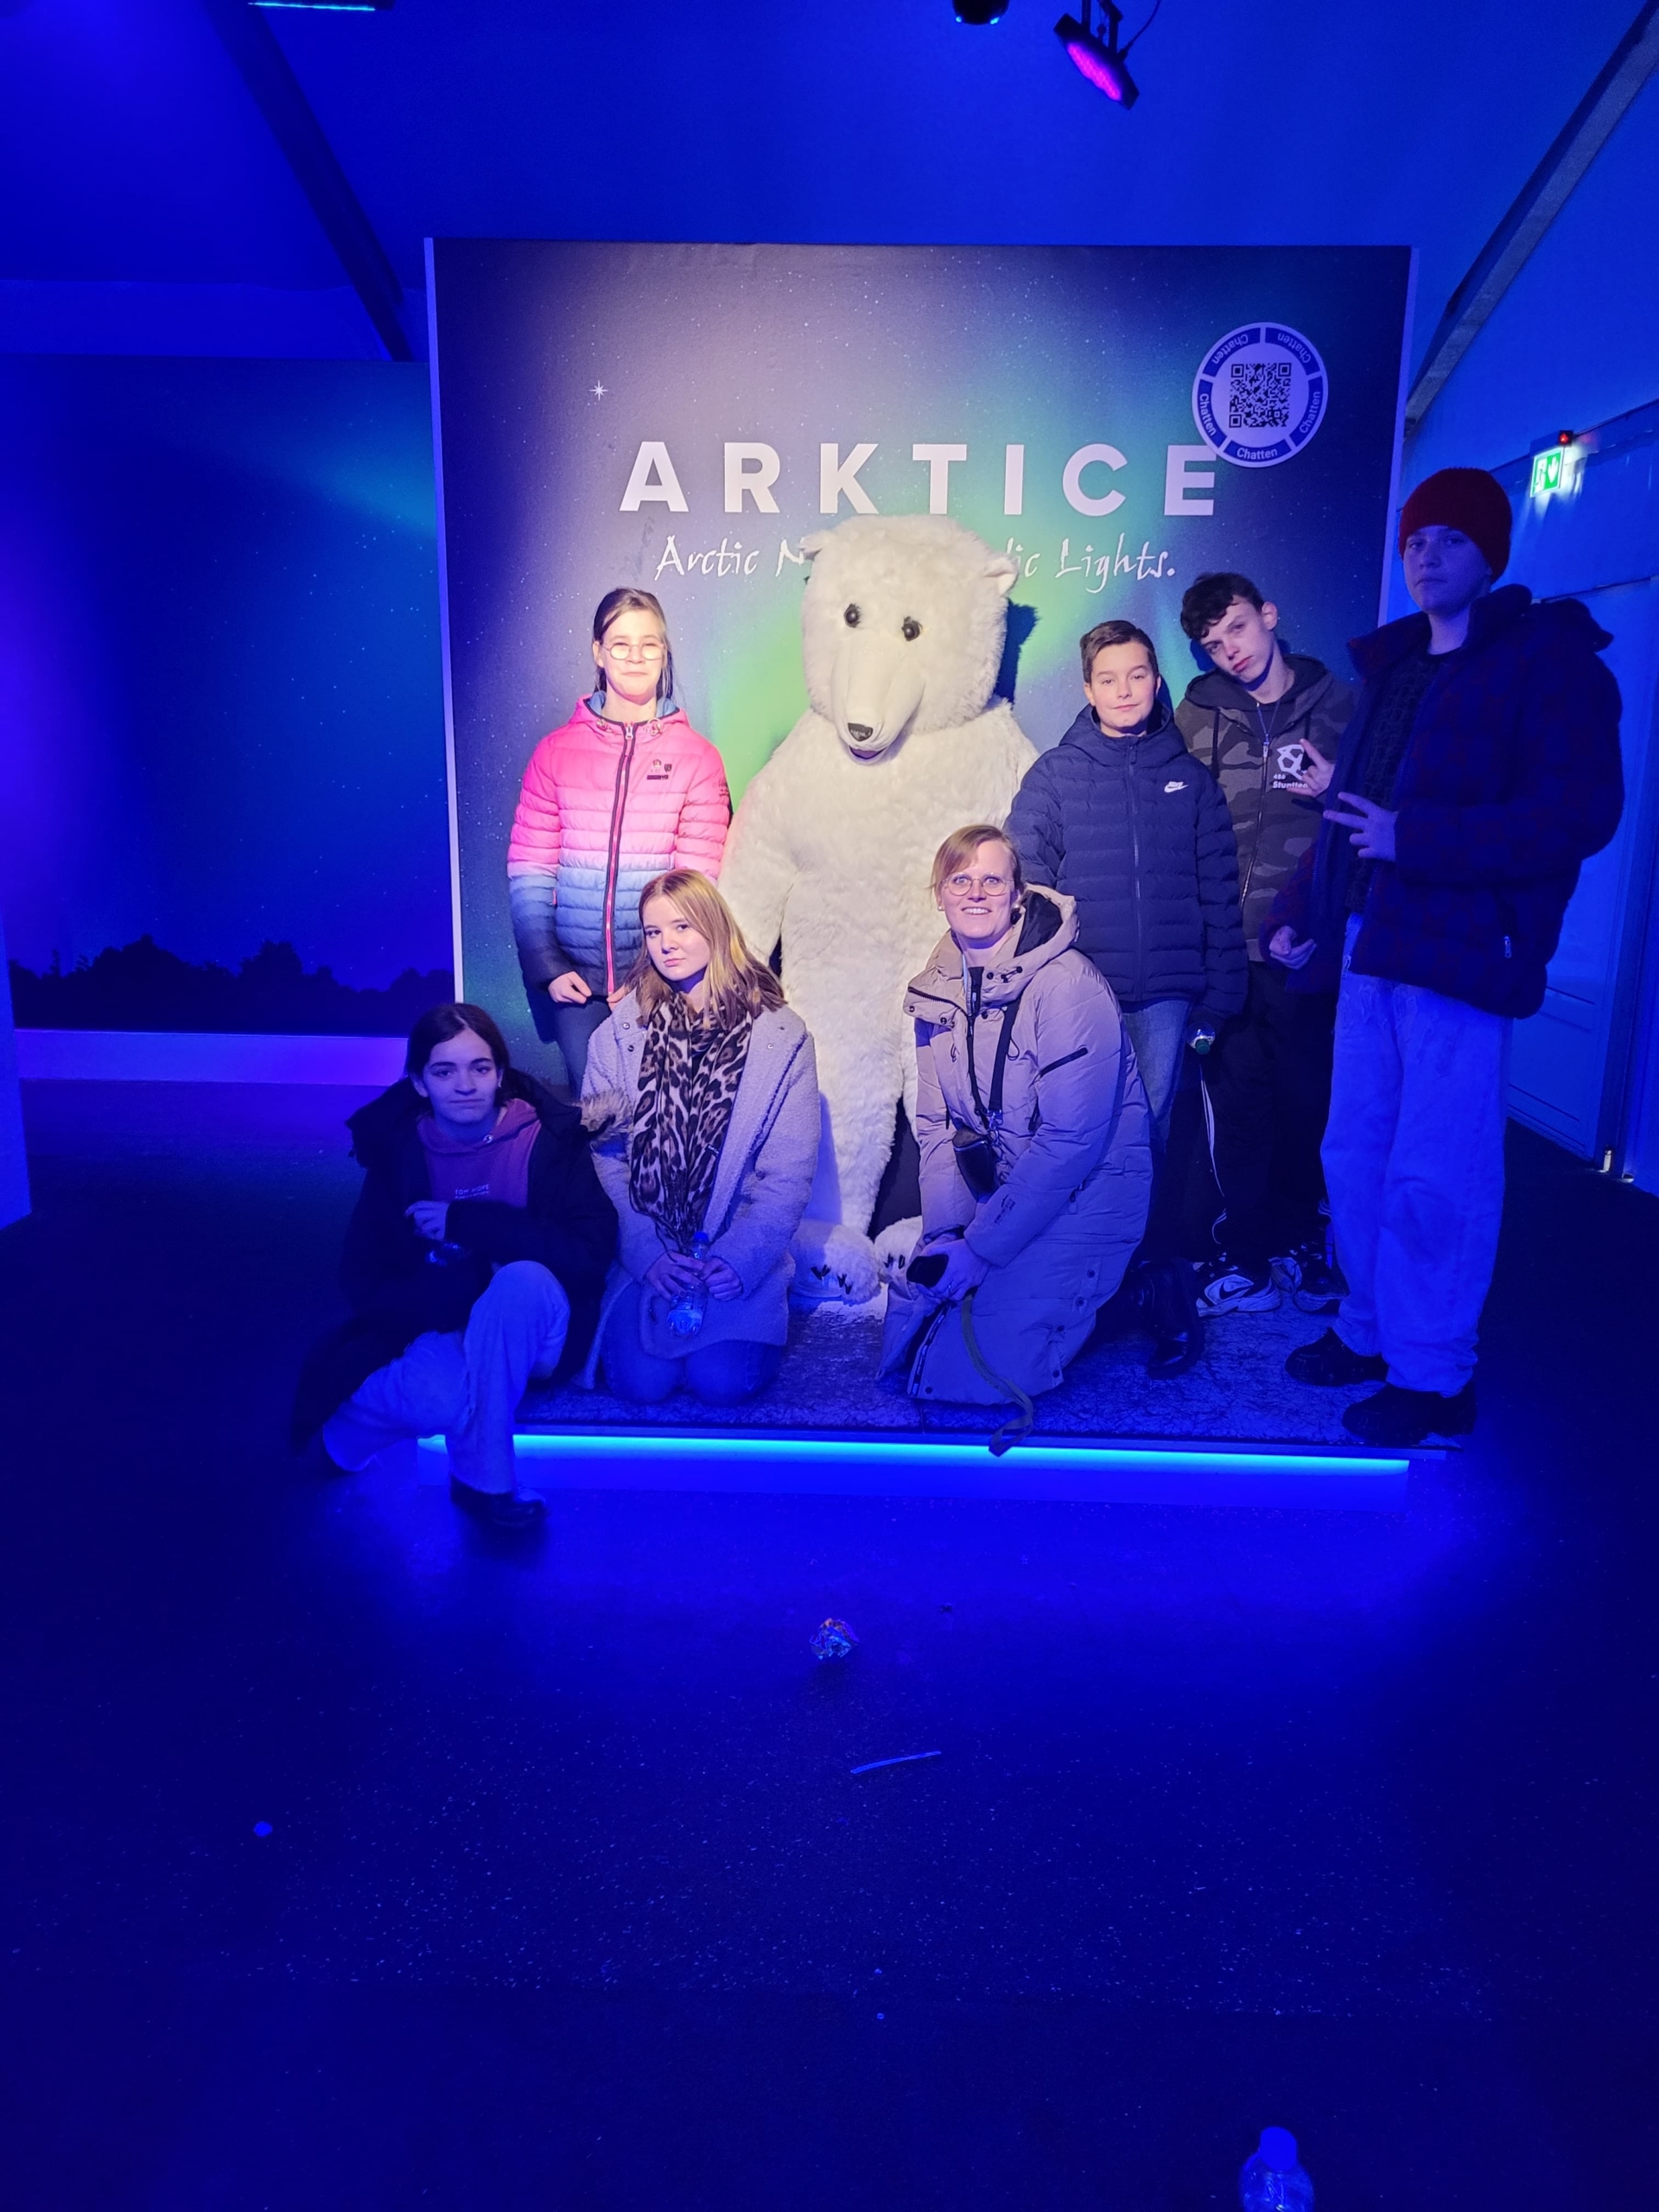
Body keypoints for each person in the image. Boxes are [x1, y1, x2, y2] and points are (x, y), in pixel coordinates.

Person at [1268, 467, 1623, 1446]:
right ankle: (1372, 1329)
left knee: (1440, 1170)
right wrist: (1303, 907)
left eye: (1451, 540)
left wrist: (1417, 839)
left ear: (1490, 555)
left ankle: (1434, 1375)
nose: (1427, 556)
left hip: (1462, 951)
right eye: (1416, 541)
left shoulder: (1548, 661)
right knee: (1356, 1151)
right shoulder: (1395, 667)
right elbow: (1355, 815)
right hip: (1369, 940)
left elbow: (1580, 814)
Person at [1005, 618, 1246, 1374]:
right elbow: (1025, 890)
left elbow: (1220, 896)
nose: (1124, 690)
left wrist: (1220, 998)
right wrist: (1042, 985)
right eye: (1108, 678)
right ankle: (1084, 1292)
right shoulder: (1055, 775)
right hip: (1085, 996)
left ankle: (1153, 1290)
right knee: (1081, 1141)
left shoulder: (1191, 781)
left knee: (1152, 1144)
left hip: (1166, 999)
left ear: (1156, 680)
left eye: (1137, 675)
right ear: (1087, 689)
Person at [291, 1004, 617, 1529]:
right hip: (445, 1325)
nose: (465, 1085)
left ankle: (483, 1481)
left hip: (538, 1327)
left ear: (500, 1074)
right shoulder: (402, 1153)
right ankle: (345, 1436)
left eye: (480, 1068)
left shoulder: (548, 1139)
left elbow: (588, 1254)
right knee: (438, 1396)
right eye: (444, 1072)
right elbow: (364, 1277)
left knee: (521, 1278)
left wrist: (468, 1223)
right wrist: (451, 1293)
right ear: (420, 1083)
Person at [880, 826, 1154, 1410]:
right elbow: (938, 1128)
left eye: (992, 880)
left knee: (975, 1372)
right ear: (940, 894)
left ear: (1017, 895)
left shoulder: (1068, 986)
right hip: (1011, 1193)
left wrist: (981, 1248)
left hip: (1087, 1191)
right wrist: (949, 1234)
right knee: (912, 1337)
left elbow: (1069, 1145)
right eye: (961, 880)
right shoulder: (938, 990)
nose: (976, 893)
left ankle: (1145, 1295)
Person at [1174, 572, 1357, 1320]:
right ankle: (1246, 1251)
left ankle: (1303, 1243)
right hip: (1226, 956)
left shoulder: (1341, 705)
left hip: (1305, 952)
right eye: (1214, 643)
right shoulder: (1196, 715)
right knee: (1239, 1110)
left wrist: (1336, 788)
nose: (1231, 651)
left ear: (1270, 615)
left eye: (1238, 629)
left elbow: (1391, 814)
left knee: (1309, 1106)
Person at [581, 870, 818, 1405]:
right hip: (649, 1250)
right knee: (643, 1384)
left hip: (730, 1252)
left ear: (714, 927)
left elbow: (786, 1175)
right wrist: (644, 1252)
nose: (666, 944)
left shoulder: (782, 1038)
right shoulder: (617, 1035)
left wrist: (739, 1258)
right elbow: (605, 1160)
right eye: (653, 932)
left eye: (682, 927)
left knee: (720, 1383)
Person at [507, 588, 731, 1095]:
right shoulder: (553, 754)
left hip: (662, 982)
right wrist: (548, 967)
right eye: (621, 644)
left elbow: (699, 884)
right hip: (576, 987)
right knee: (598, 1116)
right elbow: (530, 873)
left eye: (649, 645)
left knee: (663, 1113)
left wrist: (652, 973)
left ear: (664, 653)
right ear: (598, 652)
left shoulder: (699, 758)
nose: (635, 657)